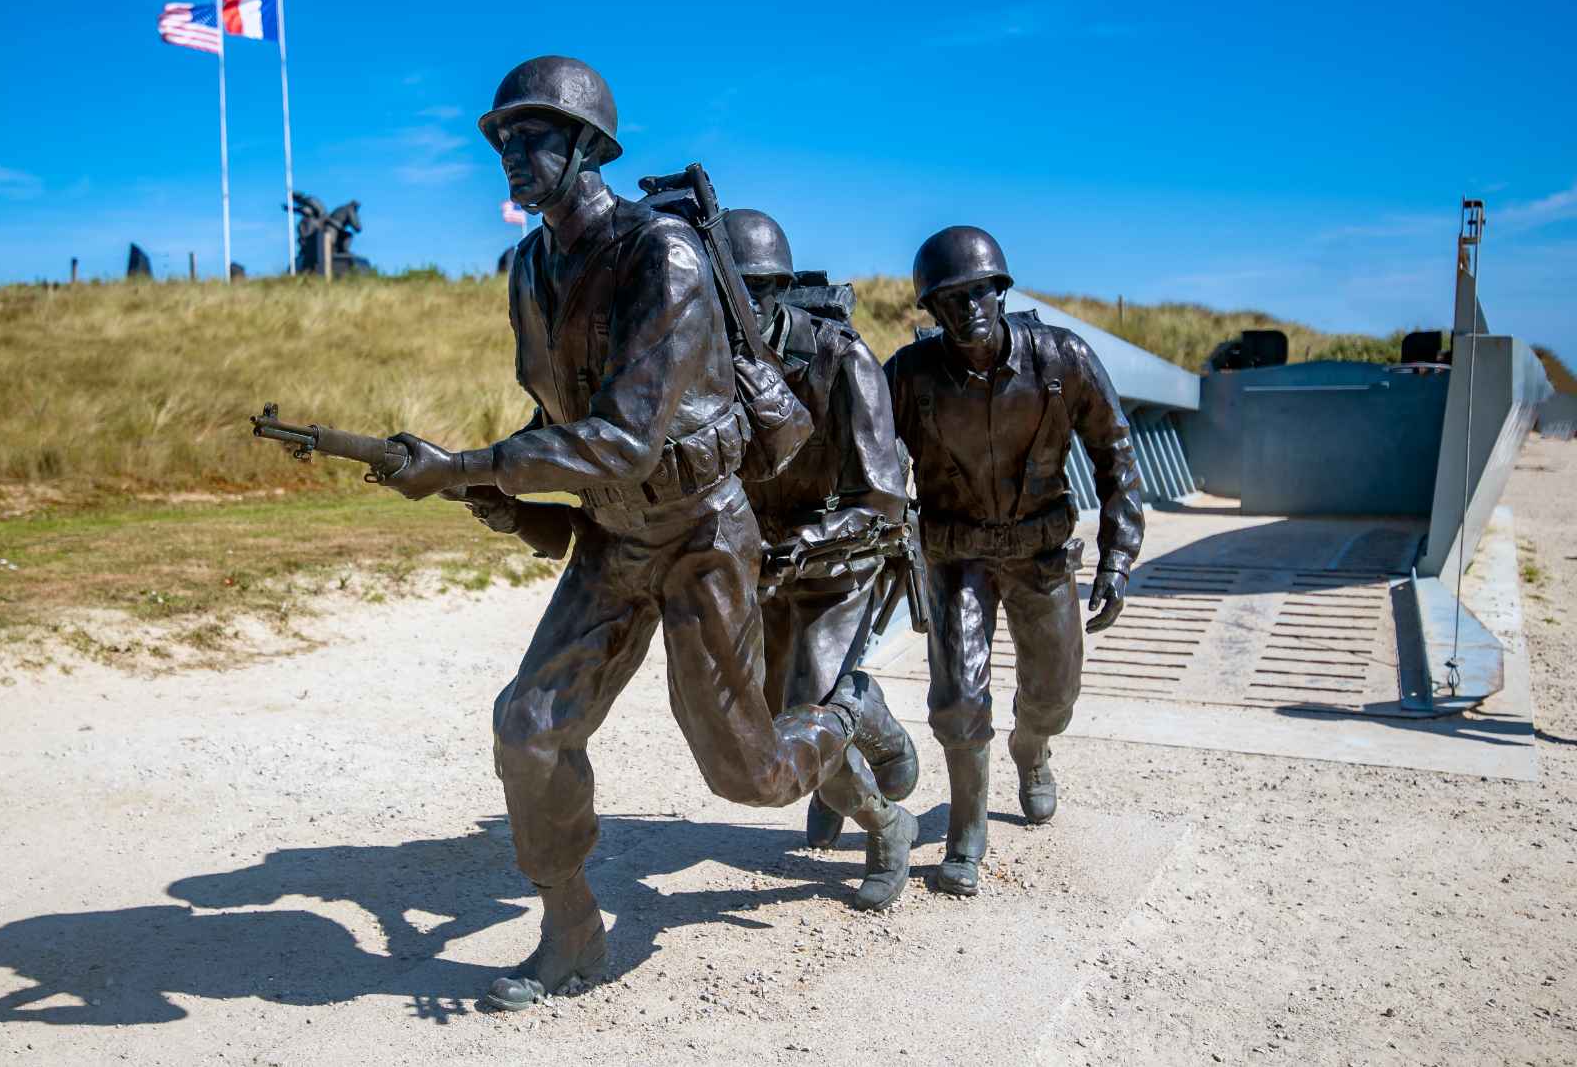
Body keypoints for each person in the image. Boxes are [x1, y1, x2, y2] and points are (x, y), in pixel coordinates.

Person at [376, 57, 918, 1009]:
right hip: (614, 540)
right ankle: (572, 929)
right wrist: (510, 501)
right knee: (529, 727)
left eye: (532, 134)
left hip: (704, 535)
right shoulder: (532, 269)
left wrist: (463, 464)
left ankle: (846, 713)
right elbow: (560, 425)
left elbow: (625, 436)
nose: (511, 152)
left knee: (746, 775)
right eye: (502, 137)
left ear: (588, 145)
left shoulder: (660, 256)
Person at [884, 226, 1144, 896]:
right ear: (931, 310)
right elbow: (870, 461)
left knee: (1054, 693)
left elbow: (1116, 456)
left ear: (1001, 291)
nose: (968, 307)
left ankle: (1033, 750)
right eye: (950, 298)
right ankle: (967, 826)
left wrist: (1117, 558)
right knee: (959, 697)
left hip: (1040, 552)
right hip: (957, 555)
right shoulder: (909, 379)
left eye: (979, 291)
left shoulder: (1063, 360)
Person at [726, 209, 920, 857]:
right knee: (766, 710)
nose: (733, 310)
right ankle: (861, 705)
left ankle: (885, 824)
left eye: (748, 291)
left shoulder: (844, 361)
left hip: (842, 555)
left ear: (778, 289)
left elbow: (885, 498)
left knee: (804, 715)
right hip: (766, 562)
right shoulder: (708, 368)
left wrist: (809, 541)